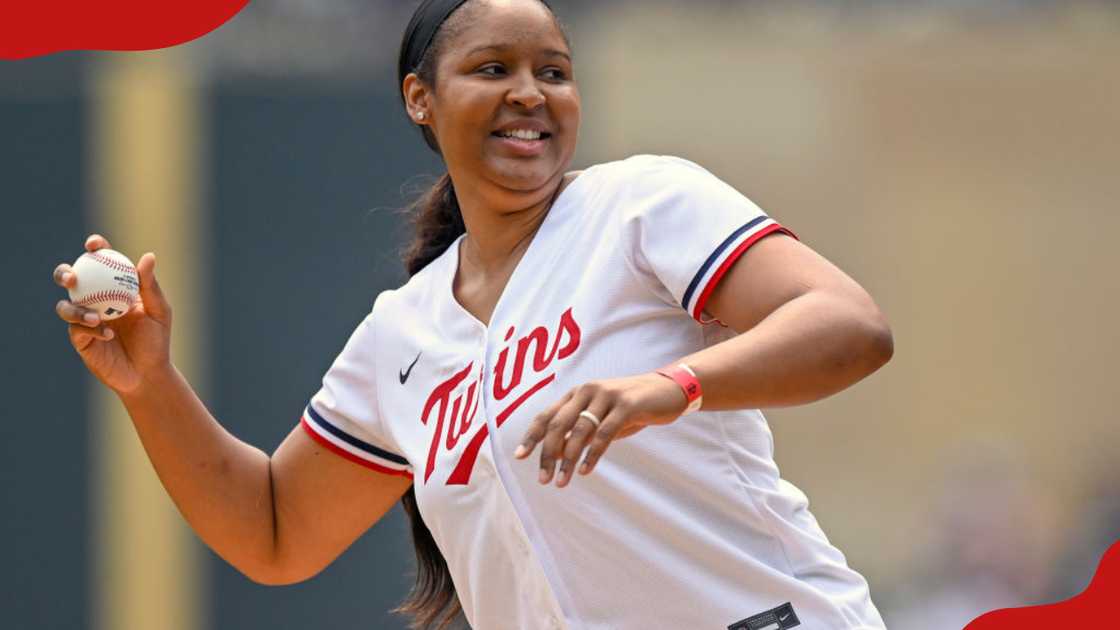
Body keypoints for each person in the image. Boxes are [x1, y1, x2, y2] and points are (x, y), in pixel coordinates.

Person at [53, 0, 894, 628]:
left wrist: (671, 386)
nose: (530, 93)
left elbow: (848, 325)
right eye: (494, 69)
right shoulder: (404, 334)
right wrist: (151, 384)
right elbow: (276, 532)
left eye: (553, 72)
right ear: (420, 99)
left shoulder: (638, 204)